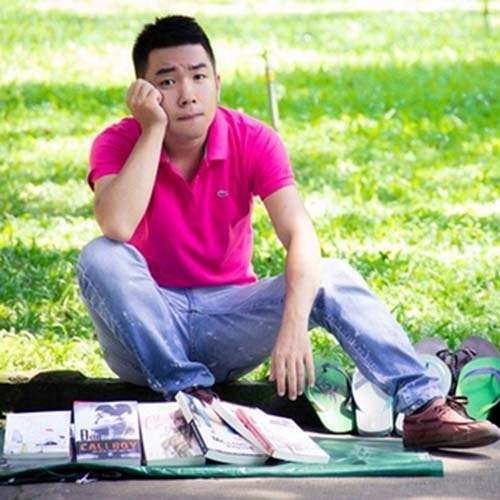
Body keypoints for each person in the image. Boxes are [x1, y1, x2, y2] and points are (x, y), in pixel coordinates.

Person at [77, 14, 500, 450]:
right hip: (145, 332)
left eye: (199, 77)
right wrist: (153, 129)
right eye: (167, 82)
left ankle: (424, 406)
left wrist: (295, 326)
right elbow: (117, 224)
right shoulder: (118, 141)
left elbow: (300, 235)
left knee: (331, 274)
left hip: (228, 320)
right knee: (100, 255)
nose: (187, 94)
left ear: (217, 83)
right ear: (142, 93)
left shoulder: (252, 138)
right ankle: (191, 399)